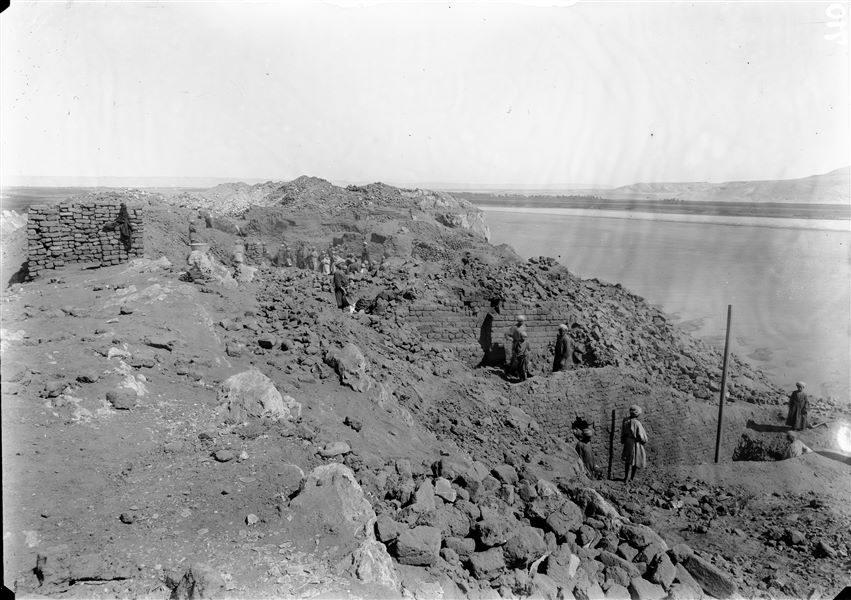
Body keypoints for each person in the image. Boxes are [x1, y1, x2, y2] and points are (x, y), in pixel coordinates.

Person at [621, 405, 648, 484]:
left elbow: (623, 432)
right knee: (634, 460)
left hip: (628, 441)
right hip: (635, 442)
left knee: (628, 460)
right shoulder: (637, 423)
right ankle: (632, 478)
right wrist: (643, 441)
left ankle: (626, 477)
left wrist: (623, 440)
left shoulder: (625, 420)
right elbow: (641, 436)